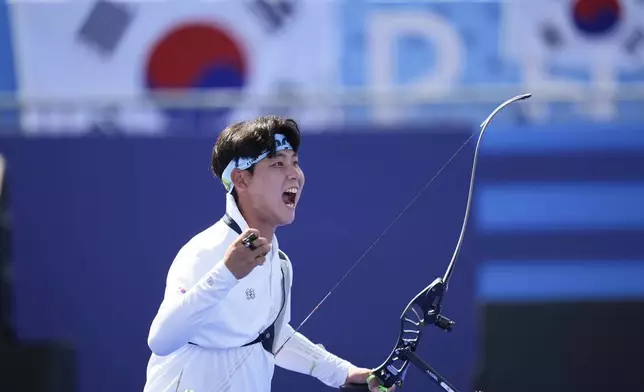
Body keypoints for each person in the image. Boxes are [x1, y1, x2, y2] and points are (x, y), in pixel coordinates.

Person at [143, 116, 393, 392]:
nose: (294, 174)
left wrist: (342, 372)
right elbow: (161, 339)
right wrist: (226, 274)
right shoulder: (204, 251)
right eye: (277, 163)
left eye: (294, 162)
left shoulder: (280, 264)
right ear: (241, 179)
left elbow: (273, 338)